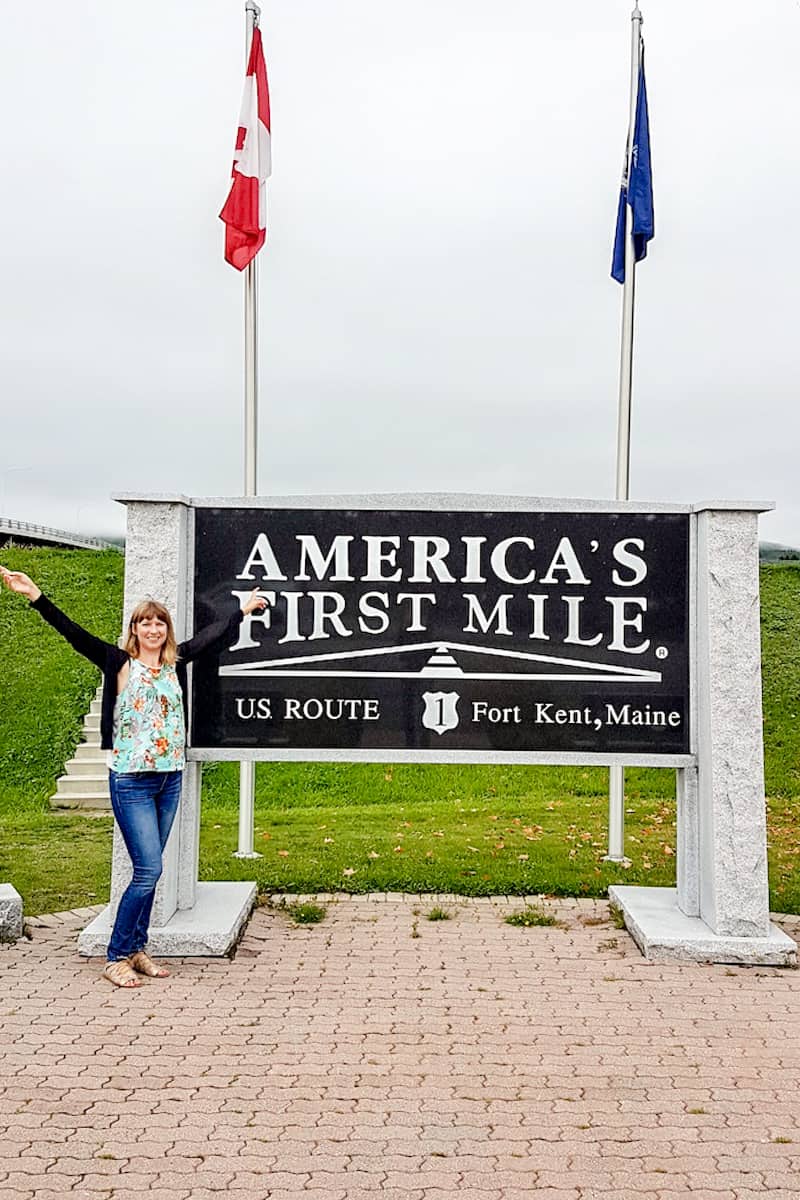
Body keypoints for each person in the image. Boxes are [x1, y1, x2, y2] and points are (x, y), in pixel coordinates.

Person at [0, 565, 266, 988]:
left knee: (152, 871)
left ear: (167, 630)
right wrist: (35, 595)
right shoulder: (119, 663)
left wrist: (243, 611)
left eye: (159, 622)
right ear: (134, 629)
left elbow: (212, 638)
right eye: (145, 622)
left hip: (168, 779)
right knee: (148, 870)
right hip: (132, 781)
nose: (153, 628)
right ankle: (116, 956)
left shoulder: (175, 662)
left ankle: (137, 948)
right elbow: (74, 634)